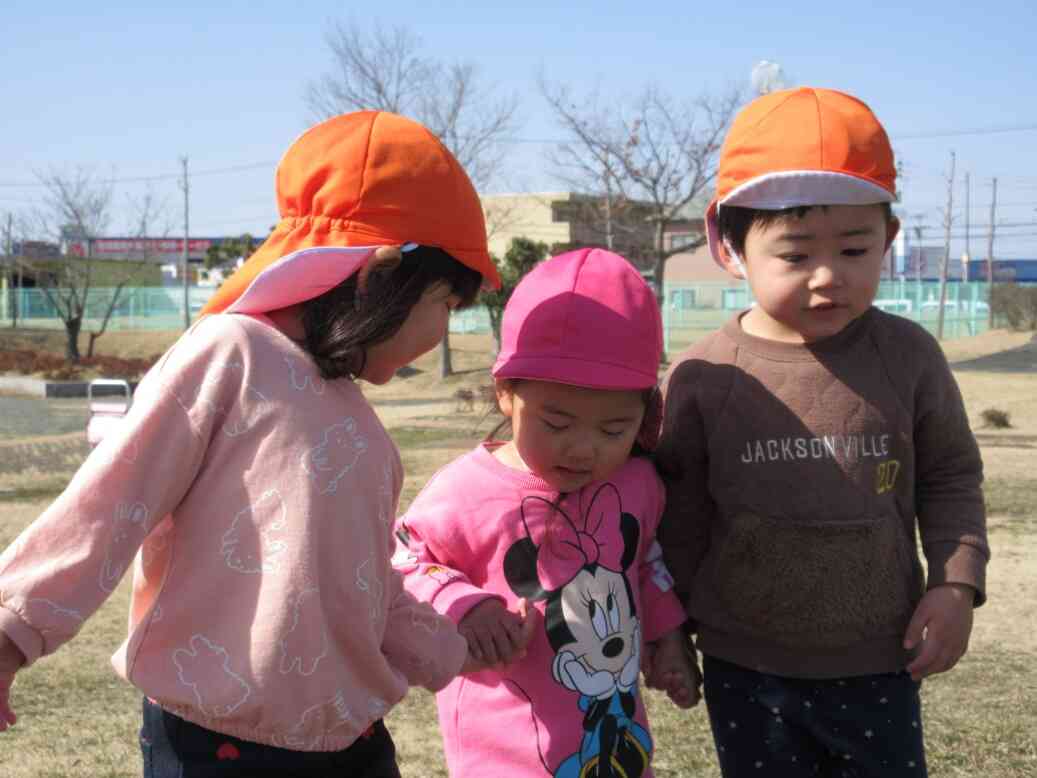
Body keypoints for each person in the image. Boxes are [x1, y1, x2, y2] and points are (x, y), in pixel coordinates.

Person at [0, 110, 505, 776]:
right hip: (218, 744)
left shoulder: (359, 424)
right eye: (447, 304)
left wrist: (451, 648)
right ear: (382, 275)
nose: (444, 327)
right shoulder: (230, 355)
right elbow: (109, 502)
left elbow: (365, 583)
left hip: (352, 741)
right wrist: (10, 629)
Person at [655, 87, 989, 778]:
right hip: (746, 665)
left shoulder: (908, 356)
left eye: (854, 248)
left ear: (888, 241)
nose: (828, 276)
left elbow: (950, 476)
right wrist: (668, 627)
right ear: (729, 248)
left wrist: (955, 585)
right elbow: (677, 514)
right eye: (796, 254)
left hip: (880, 655)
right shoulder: (702, 376)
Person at [392, 247, 699, 778]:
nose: (583, 449)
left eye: (614, 429)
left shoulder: (636, 484)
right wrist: (462, 605)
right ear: (506, 393)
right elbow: (400, 562)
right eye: (557, 423)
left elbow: (645, 564)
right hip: (502, 758)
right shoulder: (465, 491)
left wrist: (668, 638)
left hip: (615, 749)